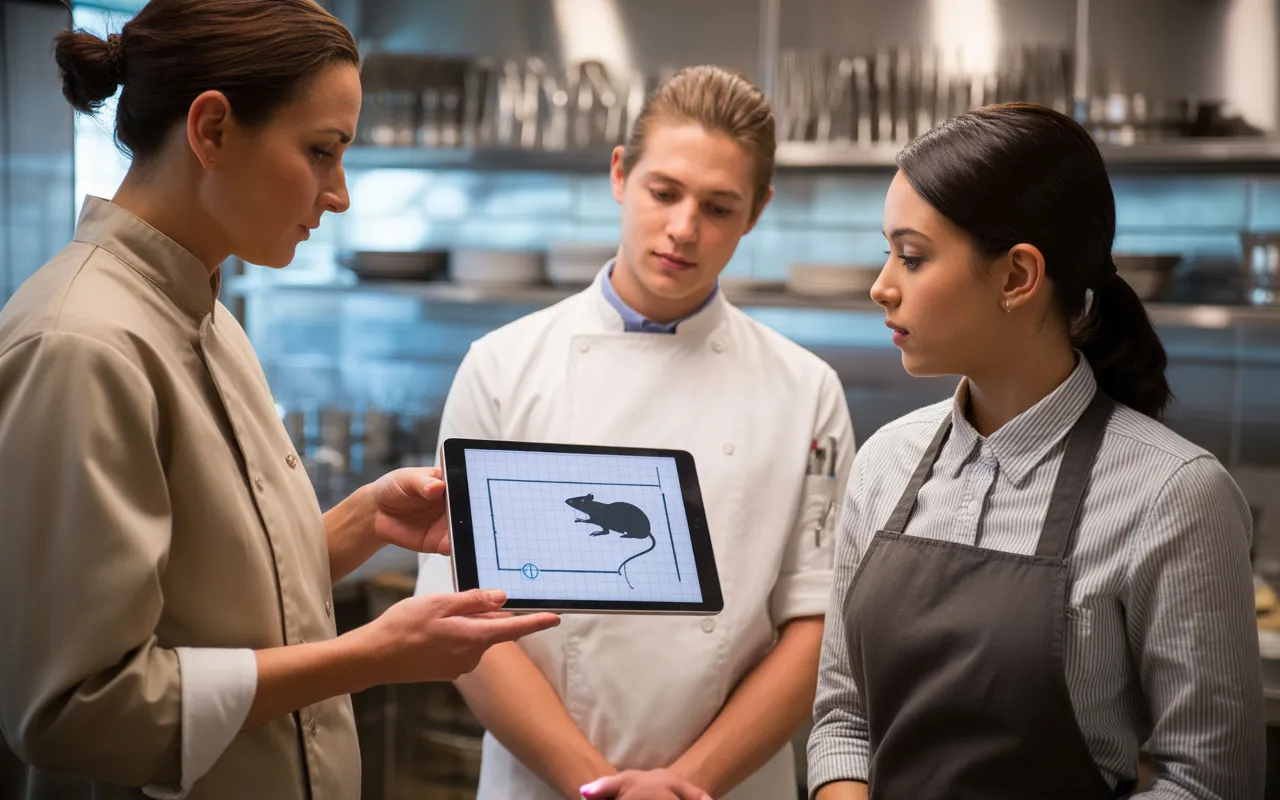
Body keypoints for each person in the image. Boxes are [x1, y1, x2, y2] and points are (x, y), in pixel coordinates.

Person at [0, 2, 558, 799]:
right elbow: (79, 710)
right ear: (213, 129)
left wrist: (360, 524)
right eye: (320, 152)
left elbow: (209, 605)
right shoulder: (80, 346)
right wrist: (373, 654)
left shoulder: (209, 316)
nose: (340, 196)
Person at [415, 65, 856, 800]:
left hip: (726, 788)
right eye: (665, 193)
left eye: (719, 207)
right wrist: (597, 786)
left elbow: (813, 628)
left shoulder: (805, 390)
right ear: (621, 174)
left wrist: (684, 785)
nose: (684, 229)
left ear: (757, 212)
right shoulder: (501, 367)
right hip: (546, 783)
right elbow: (461, 618)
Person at [807, 103, 1265, 800]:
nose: (882, 286)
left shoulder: (1174, 494)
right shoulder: (884, 464)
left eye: (913, 255)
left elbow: (1207, 782)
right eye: (887, 251)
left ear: (1018, 276)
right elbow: (843, 716)